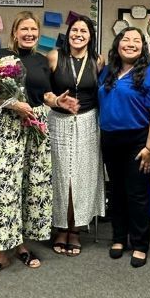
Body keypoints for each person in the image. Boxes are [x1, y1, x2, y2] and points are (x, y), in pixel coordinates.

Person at [0, 11, 71, 278]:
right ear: (15, 32)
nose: (29, 34)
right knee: (7, 187)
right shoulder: (2, 58)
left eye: (33, 30)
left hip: (37, 125)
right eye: (25, 29)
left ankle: (21, 246)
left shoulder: (42, 60)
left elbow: (45, 94)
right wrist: (13, 104)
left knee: (33, 186)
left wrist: (57, 101)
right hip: (11, 125)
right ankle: (0, 252)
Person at [98, 27, 150, 268]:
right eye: (125, 39)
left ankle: (139, 244)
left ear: (143, 47)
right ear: (117, 44)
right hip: (110, 140)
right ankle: (119, 238)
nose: (130, 43)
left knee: (137, 194)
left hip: (139, 142)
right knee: (117, 191)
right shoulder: (108, 71)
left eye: (136, 40)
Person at [46, 16, 105, 256]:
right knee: (61, 176)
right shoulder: (54, 56)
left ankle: (76, 229)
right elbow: (44, 91)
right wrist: (55, 101)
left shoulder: (97, 60)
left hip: (87, 122)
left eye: (84, 31)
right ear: (68, 33)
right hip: (58, 122)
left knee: (82, 176)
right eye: (74, 30)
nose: (78, 34)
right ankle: (61, 228)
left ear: (90, 36)